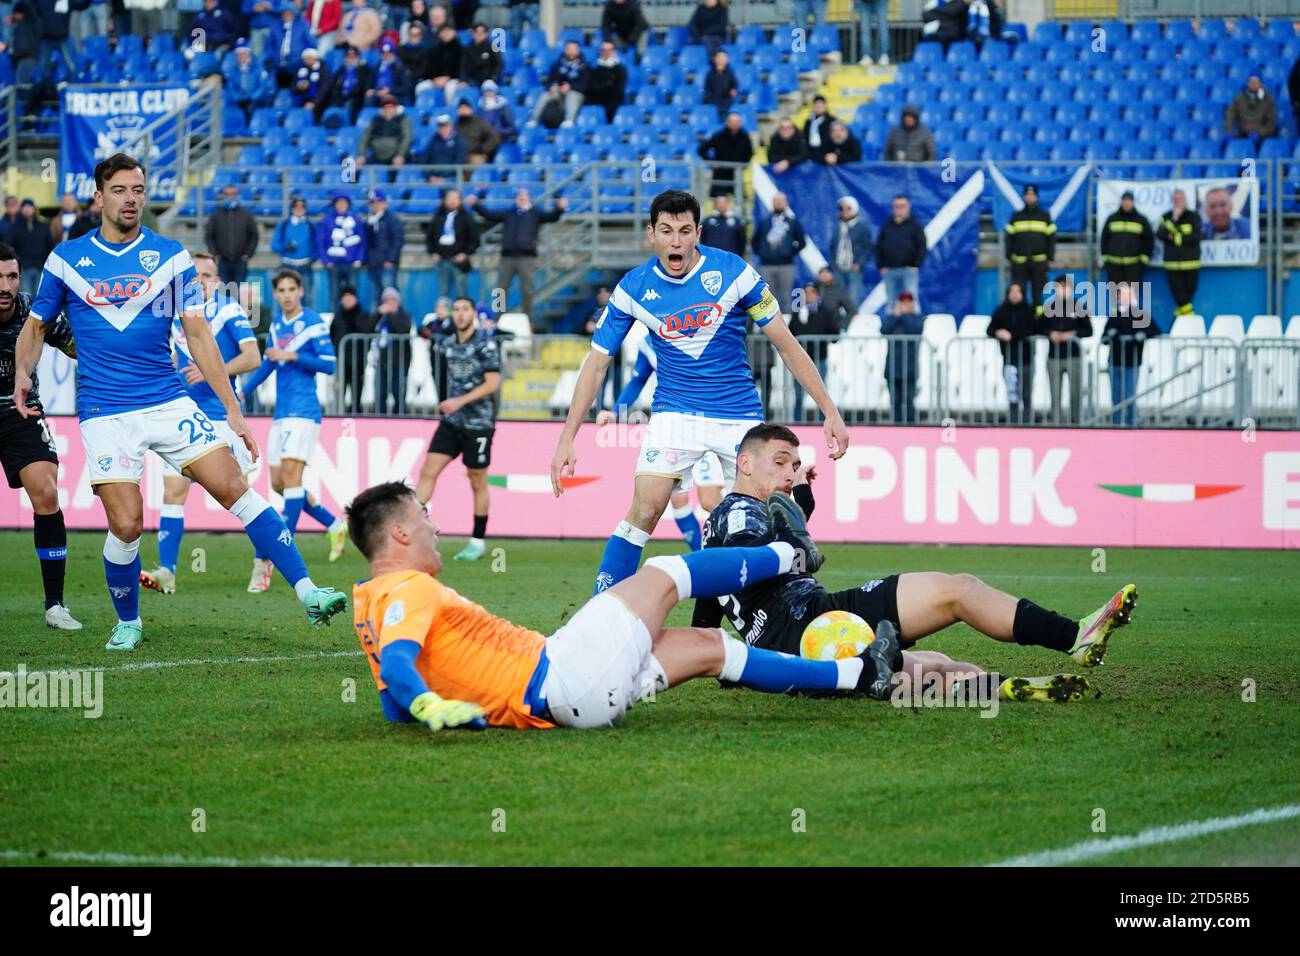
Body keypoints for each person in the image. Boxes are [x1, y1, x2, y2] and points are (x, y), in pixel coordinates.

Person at [13, 154, 346, 650]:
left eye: (140, 190)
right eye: (122, 190)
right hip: (106, 410)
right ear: (99, 196)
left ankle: (309, 592)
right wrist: (22, 373)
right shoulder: (67, 258)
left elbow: (198, 334)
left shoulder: (170, 256)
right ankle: (129, 621)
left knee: (234, 486)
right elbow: (36, 325)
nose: (132, 199)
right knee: (127, 524)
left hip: (169, 400)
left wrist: (233, 410)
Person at [348, 481, 906, 735]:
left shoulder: (370, 601)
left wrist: (453, 709)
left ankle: (858, 673)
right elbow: (401, 669)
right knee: (665, 573)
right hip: (562, 676)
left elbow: (391, 700)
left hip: (560, 696)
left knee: (710, 648)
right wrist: (429, 705)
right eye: (423, 514)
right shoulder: (409, 589)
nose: (435, 525)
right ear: (399, 532)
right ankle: (792, 554)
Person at [692, 423, 1136, 700]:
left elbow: (714, 598)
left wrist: (727, 663)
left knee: (938, 657)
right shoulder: (740, 511)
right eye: (780, 462)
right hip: (807, 633)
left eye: (795, 463)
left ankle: (1000, 687)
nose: (789, 472)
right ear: (744, 463)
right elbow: (759, 553)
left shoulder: (722, 522)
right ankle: (1073, 637)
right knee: (952, 602)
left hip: (810, 623)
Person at [550, 189, 848, 594]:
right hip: (675, 415)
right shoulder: (633, 288)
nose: (676, 241)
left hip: (739, 416)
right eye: (667, 231)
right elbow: (597, 362)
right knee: (645, 508)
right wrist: (568, 437)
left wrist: (829, 410)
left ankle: (787, 611)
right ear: (651, 234)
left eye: (685, 231)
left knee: (769, 518)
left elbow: (786, 342)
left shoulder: (734, 272)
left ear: (698, 233)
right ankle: (604, 610)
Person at [139, 252, 264, 596]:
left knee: (241, 495)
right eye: (195, 276)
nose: (201, 281)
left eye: (208, 275)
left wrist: (212, 369)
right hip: (183, 417)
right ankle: (168, 570)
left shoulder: (228, 309)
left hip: (221, 417)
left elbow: (253, 356)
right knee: (173, 492)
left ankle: (263, 557)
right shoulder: (174, 314)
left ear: (219, 281)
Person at [242, 267, 348, 587]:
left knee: (290, 479)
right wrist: (240, 392)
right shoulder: (277, 324)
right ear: (275, 294)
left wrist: (291, 354)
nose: (287, 294)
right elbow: (269, 364)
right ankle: (333, 525)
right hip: (282, 414)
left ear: (300, 291)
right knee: (279, 484)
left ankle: (274, 552)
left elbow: (328, 364)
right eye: (281, 290)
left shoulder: (313, 322)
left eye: (292, 289)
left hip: (304, 412)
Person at [0, 242, 81, 630]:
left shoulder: (37, 312)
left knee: (47, 493)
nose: (5, 286)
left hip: (21, 413)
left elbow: (76, 345)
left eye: (11, 276)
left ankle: (55, 606)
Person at [595, 335, 726, 550]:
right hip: (673, 429)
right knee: (678, 500)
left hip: (707, 423)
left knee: (710, 501)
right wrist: (616, 411)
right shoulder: (647, 343)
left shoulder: (699, 333)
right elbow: (638, 379)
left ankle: (749, 544)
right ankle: (704, 556)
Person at [414, 296, 500, 561]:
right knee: (428, 470)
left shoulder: (485, 343)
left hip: (478, 423)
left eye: (466, 310)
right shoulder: (448, 343)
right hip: (452, 422)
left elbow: (492, 383)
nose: (461, 314)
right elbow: (424, 332)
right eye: (457, 310)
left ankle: (478, 541)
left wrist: (459, 401)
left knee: (477, 481)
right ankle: (414, 529)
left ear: (474, 313)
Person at [466, 188, 565, 323]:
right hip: (507, 257)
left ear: (530, 198)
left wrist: (559, 208)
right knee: (500, 290)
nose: (521, 198)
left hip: (526, 257)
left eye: (524, 196)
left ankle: (527, 320)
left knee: (527, 290)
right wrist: (476, 205)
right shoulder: (509, 213)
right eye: (519, 196)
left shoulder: (535, 213)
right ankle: (498, 319)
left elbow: (552, 216)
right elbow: (489, 215)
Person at [1102, 283, 1157, 428]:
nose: (1125, 298)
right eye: (1123, 295)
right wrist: (1110, 334)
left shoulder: (1140, 314)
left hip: (1132, 362)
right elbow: (1104, 338)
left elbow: (1155, 330)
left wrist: (1142, 335)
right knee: (1116, 396)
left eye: (1129, 295)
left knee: (1130, 395)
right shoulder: (1115, 315)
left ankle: (1132, 423)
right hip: (1115, 361)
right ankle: (1117, 423)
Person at [988, 280, 1039, 425]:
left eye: (1018, 291)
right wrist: (999, 332)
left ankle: (1028, 423)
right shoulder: (1001, 310)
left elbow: (1034, 329)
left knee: (1027, 395)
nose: (1015, 295)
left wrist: (1013, 335)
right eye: (1012, 291)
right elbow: (990, 329)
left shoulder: (1029, 310)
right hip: (1009, 361)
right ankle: (1014, 423)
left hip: (1027, 359)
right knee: (1012, 395)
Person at [789, 281, 839, 422]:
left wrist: (820, 339)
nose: (809, 295)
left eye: (812, 292)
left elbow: (835, 334)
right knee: (799, 395)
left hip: (819, 358)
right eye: (806, 292)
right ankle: (798, 422)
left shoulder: (825, 311)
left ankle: (822, 423)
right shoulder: (798, 311)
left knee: (820, 395)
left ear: (817, 294)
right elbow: (790, 334)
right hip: (800, 360)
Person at [751, 191, 805, 317]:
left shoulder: (792, 222)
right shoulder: (765, 222)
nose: (778, 204)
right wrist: (764, 253)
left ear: (786, 203)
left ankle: (786, 324)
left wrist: (789, 253)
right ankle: (770, 326)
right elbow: (755, 241)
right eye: (776, 201)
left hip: (786, 265)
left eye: (780, 201)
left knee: (786, 296)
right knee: (768, 297)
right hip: (767, 265)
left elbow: (802, 242)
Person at [1005, 182, 1053, 312]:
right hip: (1020, 262)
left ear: (1036, 197)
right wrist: (1009, 256)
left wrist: (1050, 258)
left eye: (1032, 194)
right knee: (1020, 290)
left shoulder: (1045, 216)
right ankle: (1022, 316)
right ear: (1024, 197)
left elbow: (1051, 239)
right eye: (1028, 194)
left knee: (1038, 292)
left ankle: (1038, 318)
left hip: (1039, 262)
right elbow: (1009, 238)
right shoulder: (1016, 216)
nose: (1030, 197)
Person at [426, 187, 479, 300]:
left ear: (460, 201)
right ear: (444, 200)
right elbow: (429, 236)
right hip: (442, 260)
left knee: (462, 293)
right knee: (442, 294)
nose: (452, 201)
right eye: (449, 198)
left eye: (455, 198)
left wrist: (465, 254)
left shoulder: (466, 218)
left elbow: (475, 239)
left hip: (459, 262)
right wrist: (433, 252)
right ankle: (443, 317)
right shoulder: (438, 217)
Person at [875, 193, 926, 308]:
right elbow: (879, 246)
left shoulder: (915, 226)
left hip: (908, 270)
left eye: (902, 206)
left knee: (911, 299)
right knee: (891, 301)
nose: (899, 209)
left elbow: (922, 246)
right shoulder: (887, 226)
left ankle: (914, 324)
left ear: (908, 207)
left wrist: (915, 265)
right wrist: (881, 265)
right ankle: (891, 325)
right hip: (889, 270)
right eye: (896, 206)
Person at [328, 284, 373, 413]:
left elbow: (367, 332)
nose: (347, 300)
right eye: (344, 297)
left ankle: (356, 413)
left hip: (358, 361)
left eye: (350, 297)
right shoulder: (338, 316)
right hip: (341, 361)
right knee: (339, 390)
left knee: (357, 390)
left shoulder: (362, 314)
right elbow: (332, 334)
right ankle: (338, 413)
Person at [317, 191, 366, 308]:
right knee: (334, 295)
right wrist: (326, 260)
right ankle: (335, 322)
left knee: (352, 294)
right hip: (334, 264)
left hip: (351, 264)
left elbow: (362, 241)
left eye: (344, 202)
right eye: (339, 202)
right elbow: (320, 241)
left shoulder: (355, 220)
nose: (341, 205)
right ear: (334, 204)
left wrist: (359, 259)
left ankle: (352, 321)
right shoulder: (327, 221)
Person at [1157, 189, 1200, 319]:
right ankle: (1189, 318)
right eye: (1175, 199)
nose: (1178, 202)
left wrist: (1175, 237)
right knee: (1178, 294)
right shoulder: (1166, 217)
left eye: (1180, 199)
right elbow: (1160, 234)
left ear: (1185, 200)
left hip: (1191, 263)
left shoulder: (1193, 216)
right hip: (1172, 264)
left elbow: (1195, 237)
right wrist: (1175, 219)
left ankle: (1180, 318)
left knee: (1188, 295)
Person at [205, 184, 259, 287]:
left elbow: (254, 235)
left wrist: (248, 254)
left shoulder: (246, 214)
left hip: (240, 261)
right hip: (222, 261)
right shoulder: (216, 215)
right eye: (227, 194)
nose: (230, 196)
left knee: (238, 290)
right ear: (223, 196)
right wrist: (215, 253)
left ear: (237, 195)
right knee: (223, 290)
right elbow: (209, 236)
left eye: (233, 194)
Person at [881, 289, 922, 423]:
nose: (906, 304)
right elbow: (884, 329)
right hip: (892, 368)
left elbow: (915, 330)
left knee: (909, 402)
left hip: (909, 369)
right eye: (903, 302)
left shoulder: (917, 318)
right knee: (895, 403)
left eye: (908, 301)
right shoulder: (892, 317)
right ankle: (895, 428)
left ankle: (911, 428)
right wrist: (896, 315)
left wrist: (903, 315)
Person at [372, 286, 412, 416]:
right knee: (380, 394)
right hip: (381, 361)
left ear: (398, 302)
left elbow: (403, 329)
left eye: (392, 299)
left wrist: (390, 315)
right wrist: (378, 314)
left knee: (398, 394)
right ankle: (379, 420)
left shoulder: (404, 316)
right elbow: (366, 327)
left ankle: (400, 420)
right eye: (386, 300)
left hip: (399, 362)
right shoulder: (379, 317)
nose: (389, 302)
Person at [1100, 189, 1152, 290]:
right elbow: (1104, 239)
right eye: (1125, 201)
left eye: (1129, 201)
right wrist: (1106, 260)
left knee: (1132, 295)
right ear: (1121, 202)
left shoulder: (1141, 220)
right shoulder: (1112, 219)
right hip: (1114, 265)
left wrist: (1142, 262)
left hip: (1133, 266)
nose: (1127, 203)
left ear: (1133, 202)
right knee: (1115, 294)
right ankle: (1116, 307)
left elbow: (1148, 241)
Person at [531, 40, 589, 128]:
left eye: (574, 49)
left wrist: (571, 87)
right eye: (569, 49)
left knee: (573, 95)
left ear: (578, 50)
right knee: (545, 95)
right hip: (558, 92)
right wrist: (552, 87)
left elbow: (585, 85)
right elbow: (549, 80)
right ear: (565, 50)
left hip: (575, 92)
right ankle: (534, 120)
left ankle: (569, 120)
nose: (571, 52)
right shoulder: (557, 65)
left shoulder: (584, 67)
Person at [272, 195, 317, 306]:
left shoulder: (311, 225)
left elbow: (317, 246)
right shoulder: (283, 225)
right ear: (292, 209)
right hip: (287, 266)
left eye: (302, 207)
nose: (299, 209)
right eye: (296, 206)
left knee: (305, 297)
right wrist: (285, 247)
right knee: (284, 298)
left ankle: (305, 323)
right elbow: (274, 245)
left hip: (305, 266)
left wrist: (311, 259)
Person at [827, 195, 870, 311]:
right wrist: (833, 265)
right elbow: (832, 247)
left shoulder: (861, 227)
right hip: (838, 268)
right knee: (836, 297)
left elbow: (868, 248)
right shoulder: (837, 227)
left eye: (848, 208)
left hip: (853, 268)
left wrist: (859, 264)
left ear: (854, 209)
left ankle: (851, 325)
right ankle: (837, 325)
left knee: (853, 298)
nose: (844, 211)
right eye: (841, 208)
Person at [697, 111, 753, 198]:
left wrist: (743, 166)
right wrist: (712, 163)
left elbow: (749, 153)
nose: (735, 124)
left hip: (736, 173)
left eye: (737, 121)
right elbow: (702, 150)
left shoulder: (745, 137)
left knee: (741, 200)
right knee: (719, 200)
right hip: (720, 174)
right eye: (732, 121)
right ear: (728, 122)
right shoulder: (719, 136)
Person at [364, 189, 403, 308]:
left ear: (385, 203)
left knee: (390, 296)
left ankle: (395, 323)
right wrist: (366, 260)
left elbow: (398, 240)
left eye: (379, 202)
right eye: (373, 202)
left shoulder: (392, 219)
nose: (376, 205)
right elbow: (366, 242)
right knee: (377, 296)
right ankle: (379, 323)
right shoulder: (369, 220)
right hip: (373, 264)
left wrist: (391, 259)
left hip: (386, 264)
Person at [222, 39, 275, 123]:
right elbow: (231, 87)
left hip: (255, 101)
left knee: (251, 108)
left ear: (249, 55)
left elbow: (262, 86)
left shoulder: (258, 69)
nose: (242, 57)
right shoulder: (233, 71)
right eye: (239, 55)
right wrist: (240, 98)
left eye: (244, 54)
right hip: (240, 101)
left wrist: (251, 98)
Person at [9, 199, 51, 298]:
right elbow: (11, 248)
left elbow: (50, 245)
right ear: (21, 209)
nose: (27, 209)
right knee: (27, 295)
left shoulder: (43, 226)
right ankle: (28, 314)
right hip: (24, 268)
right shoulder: (15, 227)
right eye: (25, 207)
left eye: (30, 207)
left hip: (41, 266)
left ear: (34, 209)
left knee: (41, 295)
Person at [267, 2, 314, 88]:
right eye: (284, 13)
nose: (287, 15)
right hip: (279, 65)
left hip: (298, 64)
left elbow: (311, 43)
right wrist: (271, 58)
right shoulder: (275, 26)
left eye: (289, 13)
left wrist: (305, 58)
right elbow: (270, 45)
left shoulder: (302, 25)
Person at [357, 95, 413, 166]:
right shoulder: (376, 120)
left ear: (395, 107)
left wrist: (400, 155)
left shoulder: (403, 120)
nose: (388, 109)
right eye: (385, 107)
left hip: (395, 154)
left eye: (391, 106)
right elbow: (365, 136)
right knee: (358, 166)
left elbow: (407, 138)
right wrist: (361, 154)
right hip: (376, 154)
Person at [326, 43, 372, 122]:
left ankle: (348, 126)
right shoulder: (341, 69)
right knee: (331, 106)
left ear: (358, 57)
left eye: (353, 56)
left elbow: (362, 86)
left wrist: (350, 94)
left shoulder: (364, 69)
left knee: (348, 105)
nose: (351, 59)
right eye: (348, 56)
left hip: (355, 97)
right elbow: (335, 85)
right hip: (340, 96)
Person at [1223, 75, 1277, 140]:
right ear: (1248, 83)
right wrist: (1229, 130)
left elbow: (1271, 122)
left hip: (1261, 137)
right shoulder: (1239, 98)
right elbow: (1230, 114)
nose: (1253, 84)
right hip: (1242, 134)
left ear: (1261, 84)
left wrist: (1260, 133)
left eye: (1256, 82)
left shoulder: (1268, 100)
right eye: (1251, 82)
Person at [421, 22, 463, 104]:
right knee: (421, 87)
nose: (446, 34)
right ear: (439, 34)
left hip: (454, 79)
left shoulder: (461, 49)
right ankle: (423, 112)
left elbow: (462, 67)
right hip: (436, 79)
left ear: (454, 32)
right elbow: (429, 67)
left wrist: (448, 78)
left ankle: (449, 111)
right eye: (443, 31)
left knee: (449, 88)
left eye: (449, 31)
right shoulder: (433, 50)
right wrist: (434, 78)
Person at [365, 37, 413, 107]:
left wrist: (389, 91)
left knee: (389, 101)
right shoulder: (376, 67)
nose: (386, 55)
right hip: (378, 95)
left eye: (389, 53)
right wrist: (370, 90)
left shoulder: (400, 68)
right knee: (369, 99)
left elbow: (406, 87)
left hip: (395, 95)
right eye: (384, 53)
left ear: (393, 53)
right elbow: (369, 83)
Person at [587, 39, 627, 124]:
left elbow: (619, 90)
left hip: (614, 104)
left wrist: (604, 86)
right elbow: (592, 88)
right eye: (603, 50)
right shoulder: (593, 69)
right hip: (596, 102)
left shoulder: (621, 69)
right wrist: (608, 84)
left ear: (614, 51)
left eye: (610, 49)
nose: (607, 52)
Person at [421, 113, 466, 181]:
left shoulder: (458, 142)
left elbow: (459, 162)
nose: (443, 128)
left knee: (453, 190)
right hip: (433, 178)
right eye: (440, 126)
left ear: (451, 125)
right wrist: (430, 177)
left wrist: (443, 177)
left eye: (445, 125)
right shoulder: (433, 141)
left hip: (451, 178)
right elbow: (424, 160)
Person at [455, 97, 501, 164]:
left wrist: (485, 150)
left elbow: (495, 137)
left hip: (475, 155)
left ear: (470, 109)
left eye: (465, 107)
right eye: (461, 108)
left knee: (477, 166)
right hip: (459, 157)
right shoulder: (455, 126)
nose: (463, 110)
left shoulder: (479, 123)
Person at [292, 48, 333, 121]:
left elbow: (324, 89)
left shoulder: (323, 71)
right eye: (306, 58)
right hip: (302, 101)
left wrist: (314, 102)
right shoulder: (300, 70)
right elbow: (293, 86)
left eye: (310, 58)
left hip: (319, 103)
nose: (308, 60)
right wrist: (299, 87)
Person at [461, 22, 502, 86]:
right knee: (458, 87)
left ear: (486, 34)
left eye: (482, 31)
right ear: (473, 33)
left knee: (488, 87)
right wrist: (463, 80)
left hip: (488, 79)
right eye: (476, 31)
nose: (479, 33)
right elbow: (463, 65)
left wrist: (493, 78)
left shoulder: (493, 47)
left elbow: (499, 64)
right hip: (472, 79)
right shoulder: (468, 48)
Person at [702, 47, 738, 119]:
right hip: (713, 101)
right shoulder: (710, 73)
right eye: (720, 57)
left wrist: (733, 90)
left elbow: (735, 85)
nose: (722, 59)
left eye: (724, 57)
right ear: (715, 59)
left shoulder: (730, 73)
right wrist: (709, 99)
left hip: (726, 101)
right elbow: (707, 87)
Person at [478, 79, 517, 144]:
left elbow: (512, 128)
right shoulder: (479, 108)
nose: (488, 94)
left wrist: (499, 132)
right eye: (486, 92)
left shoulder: (503, 107)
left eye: (490, 91)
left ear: (495, 93)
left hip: (500, 138)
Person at [802, 95, 837, 163]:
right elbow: (805, 136)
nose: (819, 106)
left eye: (821, 104)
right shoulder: (808, 121)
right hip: (810, 152)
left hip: (826, 153)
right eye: (817, 104)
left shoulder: (832, 120)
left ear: (825, 106)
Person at [856, 0, 890, 65]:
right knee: (865, 30)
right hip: (864, 2)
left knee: (882, 28)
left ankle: (884, 55)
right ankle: (866, 56)